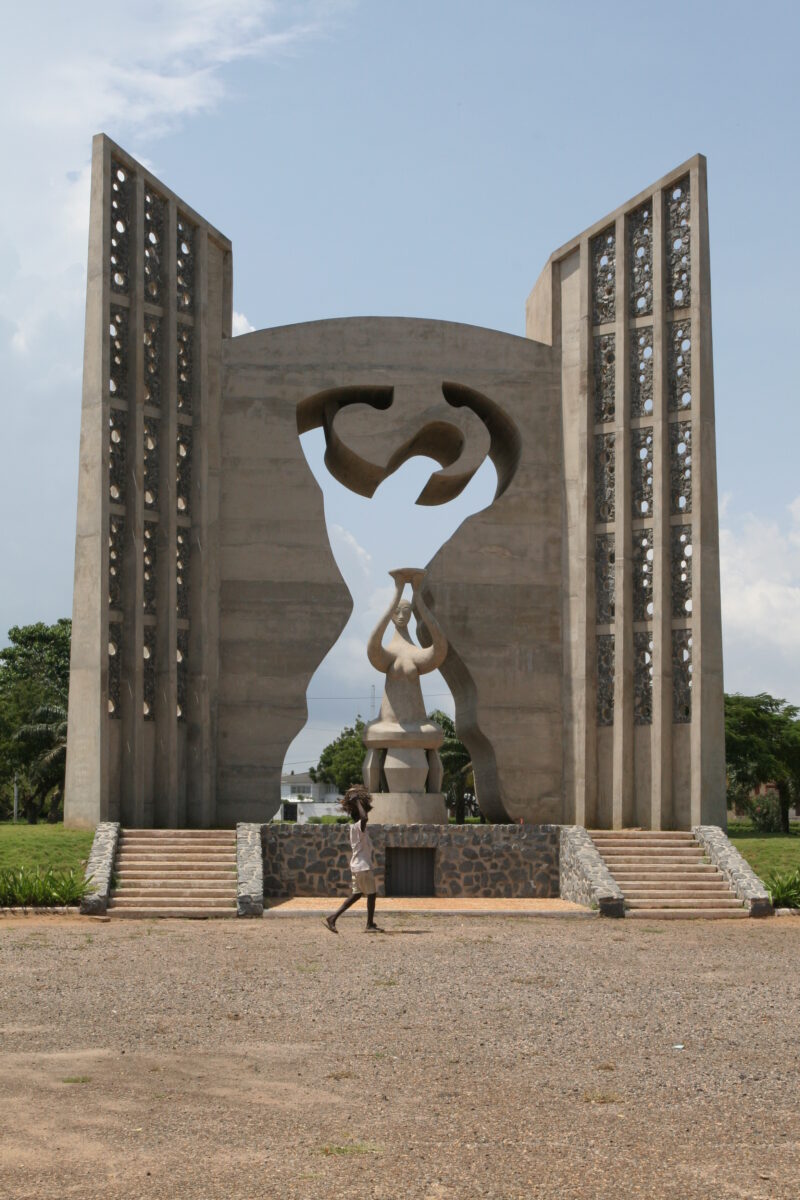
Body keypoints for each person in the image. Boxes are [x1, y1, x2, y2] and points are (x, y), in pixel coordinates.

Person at [324, 784, 382, 933]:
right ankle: (369, 925)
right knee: (371, 894)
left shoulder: (355, 828)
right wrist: (356, 801)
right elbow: (364, 817)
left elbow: (363, 817)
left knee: (357, 895)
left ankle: (333, 918)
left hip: (357, 866)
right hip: (363, 867)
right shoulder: (358, 827)